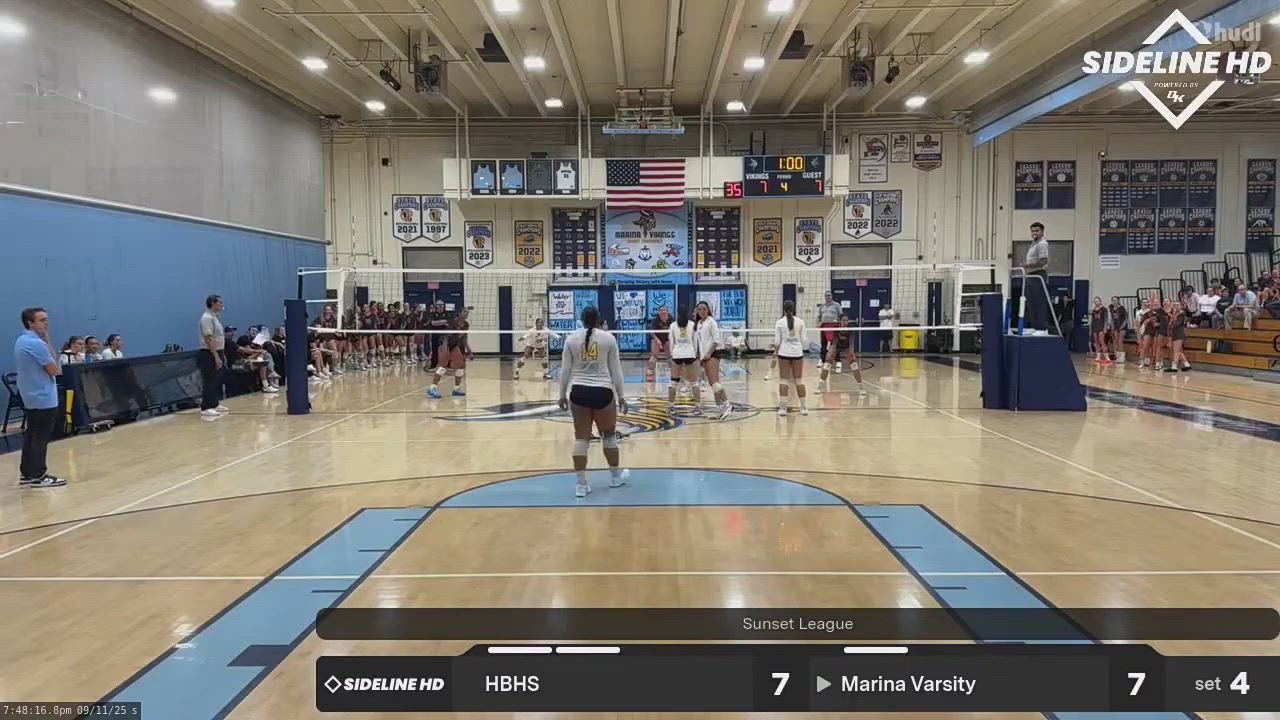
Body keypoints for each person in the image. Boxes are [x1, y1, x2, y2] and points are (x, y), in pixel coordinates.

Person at [558, 306, 629, 498]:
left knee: (581, 439)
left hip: (579, 392)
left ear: (581, 319)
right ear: (598, 319)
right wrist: (621, 396)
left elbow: (565, 371)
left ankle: (581, 485)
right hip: (603, 392)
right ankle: (615, 478)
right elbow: (616, 370)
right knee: (609, 437)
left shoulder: (571, 339)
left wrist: (561, 394)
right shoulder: (608, 338)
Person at [13, 308, 66, 488]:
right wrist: (47, 341)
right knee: (40, 437)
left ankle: (27, 473)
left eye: (46, 319)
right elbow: (54, 369)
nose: (46, 323)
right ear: (30, 323)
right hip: (42, 397)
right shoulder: (35, 343)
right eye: (42, 320)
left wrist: (45, 337)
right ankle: (38, 475)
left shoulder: (22, 339)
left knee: (32, 435)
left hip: (31, 395)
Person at [694, 301, 732, 420]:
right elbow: (701, 342)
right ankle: (720, 408)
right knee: (712, 384)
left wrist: (709, 353)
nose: (702, 311)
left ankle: (727, 405)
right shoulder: (699, 323)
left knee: (715, 383)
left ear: (708, 310)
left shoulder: (711, 322)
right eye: (700, 309)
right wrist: (701, 356)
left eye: (704, 309)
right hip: (705, 355)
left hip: (713, 353)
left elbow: (716, 341)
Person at [198, 295, 230, 420]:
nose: (222, 304)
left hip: (218, 351)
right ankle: (206, 407)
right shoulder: (206, 318)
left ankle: (214, 403)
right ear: (212, 303)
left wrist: (222, 354)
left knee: (217, 379)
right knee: (209, 379)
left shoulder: (215, 317)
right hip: (208, 353)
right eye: (220, 302)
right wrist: (216, 356)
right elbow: (208, 338)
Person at [774, 300, 809, 417]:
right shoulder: (800, 322)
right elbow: (804, 341)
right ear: (794, 309)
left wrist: (775, 352)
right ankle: (803, 407)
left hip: (784, 353)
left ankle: (783, 408)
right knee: (799, 380)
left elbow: (777, 341)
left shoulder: (779, 322)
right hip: (797, 354)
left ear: (783, 309)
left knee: (784, 380)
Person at [427, 309, 470, 398]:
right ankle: (432, 388)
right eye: (464, 312)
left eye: (467, 312)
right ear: (459, 313)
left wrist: (469, 350)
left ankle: (456, 389)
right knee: (443, 366)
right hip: (445, 342)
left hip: (455, 344)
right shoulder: (452, 321)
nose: (466, 313)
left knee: (461, 366)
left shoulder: (466, 325)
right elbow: (436, 323)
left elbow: (464, 337)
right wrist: (432, 322)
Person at [819, 314, 866, 394]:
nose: (845, 322)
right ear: (840, 321)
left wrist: (851, 353)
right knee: (827, 363)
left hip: (847, 347)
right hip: (837, 346)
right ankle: (819, 386)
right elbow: (834, 343)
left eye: (846, 320)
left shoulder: (850, 329)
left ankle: (861, 386)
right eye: (843, 320)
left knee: (854, 365)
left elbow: (851, 343)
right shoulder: (836, 329)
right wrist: (831, 354)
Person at [667, 306, 700, 413]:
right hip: (690, 354)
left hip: (677, 354)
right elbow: (695, 341)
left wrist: (672, 354)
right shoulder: (692, 324)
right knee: (694, 382)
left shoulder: (672, 325)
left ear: (677, 313)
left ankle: (671, 407)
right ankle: (698, 407)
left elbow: (671, 342)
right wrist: (695, 354)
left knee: (673, 382)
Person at [1020, 222, 1051, 333]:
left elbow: (1043, 261)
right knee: (1031, 302)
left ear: (1042, 232)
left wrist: (1027, 265)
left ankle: (1041, 328)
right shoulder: (1033, 245)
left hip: (1038, 275)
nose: (1034, 233)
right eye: (1033, 231)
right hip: (1031, 276)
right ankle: (1035, 326)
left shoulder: (1042, 244)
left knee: (1039, 302)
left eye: (1037, 231)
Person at [816, 291, 841, 364]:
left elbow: (841, 315)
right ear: (825, 297)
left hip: (834, 327)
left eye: (829, 295)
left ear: (832, 296)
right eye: (826, 295)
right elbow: (819, 316)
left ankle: (838, 361)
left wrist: (837, 320)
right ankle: (822, 360)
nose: (828, 297)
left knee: (835, 344)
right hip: (824, 327)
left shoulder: (836, 305)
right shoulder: (822, 306)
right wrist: (818, 323)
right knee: (823, 344)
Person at [647, 305, 672, 379]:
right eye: (661, 311)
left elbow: (673, 331)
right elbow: (652, 332)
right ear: (659, 312)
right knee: (653, 357)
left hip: (667, 339)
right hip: (656, 338)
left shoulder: (671, 319)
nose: (663, 312)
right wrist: (658, 341)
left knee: (670, 357)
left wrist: (670, 340)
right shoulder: (655, 320)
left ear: (667, 311)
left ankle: (673, 373)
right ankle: (650, 373)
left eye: (665, 310)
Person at [1167, 304, 1191, 372]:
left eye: (1177, 305)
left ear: (1180, 306)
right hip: (1174, 334)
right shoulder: (1174, 314)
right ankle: (1187, 365)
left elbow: (1177, 324)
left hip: (1179, 334)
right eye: (1174, 305)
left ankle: (1174, 367)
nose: (1175, 306)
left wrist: (1173, 318)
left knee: (1176, 351)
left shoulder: (1181, 314)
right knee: (1178, 351)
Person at [1089, 298, 1110, 364]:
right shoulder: (1094, 310)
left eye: (1097, 301)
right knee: (1096, 342)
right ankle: (1098, 356)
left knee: (1102, 341)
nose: (1096, 302)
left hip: (1101, 328)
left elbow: (1106, 319)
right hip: (1095, 328)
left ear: (1100, 301)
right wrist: (1091, 328)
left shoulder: (1104, 309)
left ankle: (1106, 356)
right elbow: (1092, 320)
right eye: (1095, 301)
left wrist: (1105, 328)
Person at [1107, 297, 1128, 362]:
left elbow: (1126, 318)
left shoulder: (1122, 308)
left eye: (1116, 300)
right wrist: (1111, 325)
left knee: (1120, 341)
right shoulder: (1111, 308)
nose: (1114, 301)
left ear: (1118, 301)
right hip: (1115, 326)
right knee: (1115, 341)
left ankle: (1122, 357)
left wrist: (1122, 326)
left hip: (1122, 326)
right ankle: (1116, 356)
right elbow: (1112, 318)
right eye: (1113, 300)